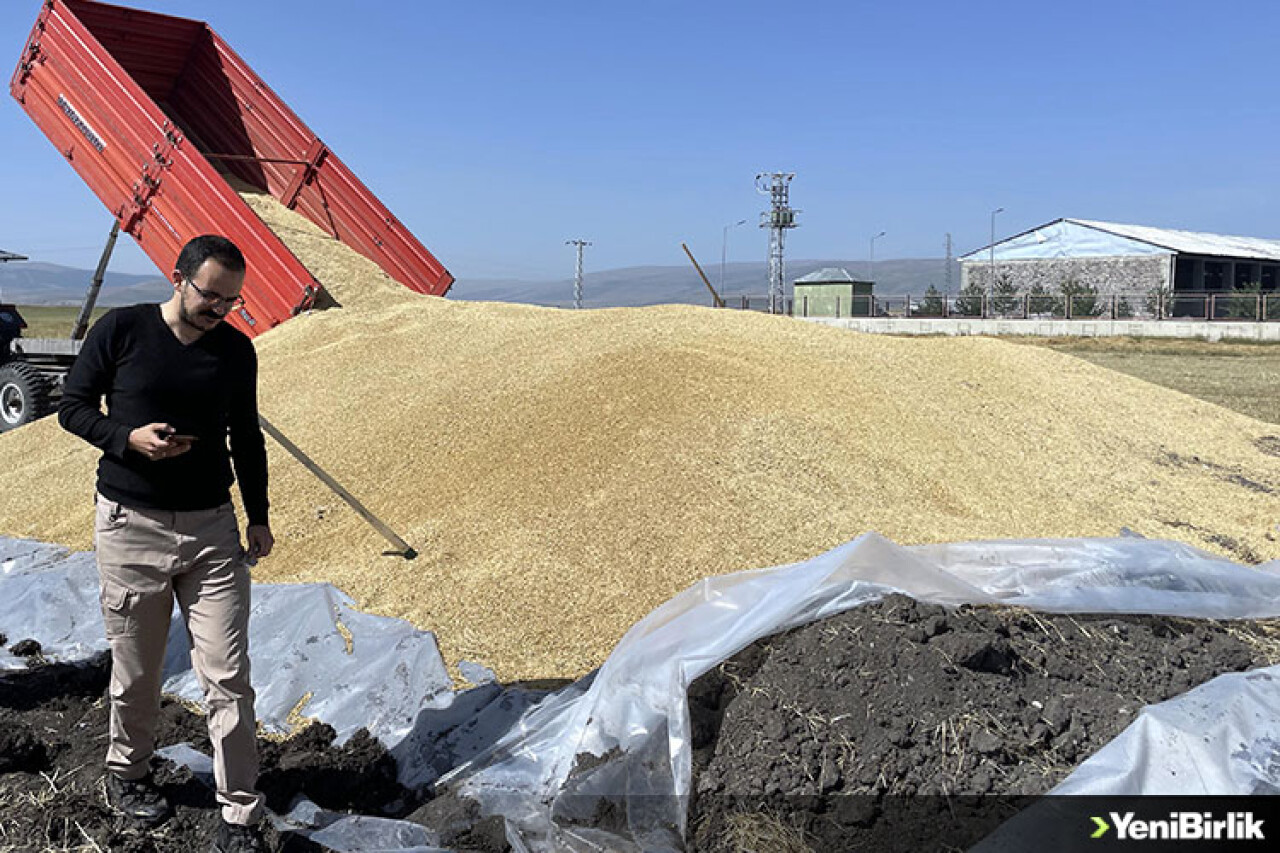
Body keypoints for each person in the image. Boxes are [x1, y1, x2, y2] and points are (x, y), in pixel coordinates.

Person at [59, 234, 274, 853]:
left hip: (211, 529)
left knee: (228, 675)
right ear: (178, 278)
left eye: (232, 301)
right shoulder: (122, 330)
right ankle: (129, 774)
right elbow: (73, 406)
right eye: (211, 295)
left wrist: (256, 517)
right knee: (137, 672)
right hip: (132, 525)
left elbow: (247, 438)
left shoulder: (235, 351)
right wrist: (127, 438)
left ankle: (239, 814)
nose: (220, 310)